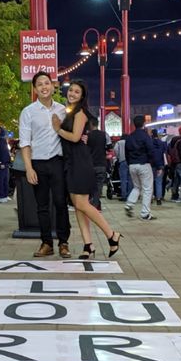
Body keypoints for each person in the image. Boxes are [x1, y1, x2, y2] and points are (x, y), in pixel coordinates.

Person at [52, 81, 122, 258]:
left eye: (77, 92)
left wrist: (58, 129)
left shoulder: (80, 113)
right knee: (77, 205)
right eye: (71, 91)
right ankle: (88, 245)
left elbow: (75, 138)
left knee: (82, 204)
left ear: (82, 96)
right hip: (71, 161)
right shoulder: (70, 112)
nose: (72, 94)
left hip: (79, 161)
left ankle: (112, 235)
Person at [19, 71, 71, 257]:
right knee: (41, 206)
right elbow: (25, 142)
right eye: (39, 84)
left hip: (57, 162)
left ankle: (64, 243)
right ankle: (46, 243)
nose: (43, 87)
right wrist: (29, 168)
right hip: (38, 163)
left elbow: (70, 136)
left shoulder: (62, 110)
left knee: (60, 203)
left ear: (52, 85)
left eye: (46, 83)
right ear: (34, 89)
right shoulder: (28, 112)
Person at [124, 115, 157, 221]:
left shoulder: (129, 137)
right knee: (147, 189)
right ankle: (145, 213)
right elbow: (151, 150)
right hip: (144, 164)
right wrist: (153, 163)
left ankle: (129, 204)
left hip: (132, 165)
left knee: (137, 187)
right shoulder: (145, 136)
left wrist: (130, 163)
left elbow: (126, 152)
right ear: (144, 123)